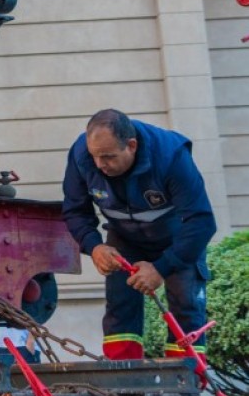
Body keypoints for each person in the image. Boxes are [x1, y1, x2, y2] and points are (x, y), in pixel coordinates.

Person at [62, 108, 216, 362]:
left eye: (109, 157)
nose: (100, 166)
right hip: (124, 238)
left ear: (131, 146)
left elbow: (201, 222)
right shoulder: (82, 156)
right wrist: (94, 247)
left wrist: (162, 268)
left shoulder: (171, 156)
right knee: (119, 310)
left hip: (179, 240)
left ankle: (185, 385)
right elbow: (75, 211)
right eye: (95, 157)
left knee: (185, 308)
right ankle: (124, 384)